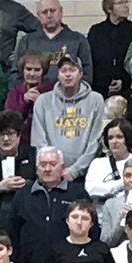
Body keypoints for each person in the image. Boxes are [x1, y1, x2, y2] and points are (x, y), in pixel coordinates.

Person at [29, 54, 106, 182]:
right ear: (58, 75)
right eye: (63, 70)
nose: (68, 74)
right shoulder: (43, 101)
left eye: (72, 70)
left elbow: (95, 141)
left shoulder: (96, 100)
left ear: (80, 74)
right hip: (51, 175)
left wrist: (75, 171)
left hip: (84, 176)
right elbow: (38, 141)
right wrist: (53, 169)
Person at [14, 0, 92, 87]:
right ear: (38, 15)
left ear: (61, 11)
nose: (49, 15)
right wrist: (25, 93)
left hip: (69, 97)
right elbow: (16, 74)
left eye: (53, 11)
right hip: (33, 97)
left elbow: (87, 74)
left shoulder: (78, 40)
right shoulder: (27, 41)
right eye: (44, 12)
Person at [0, 110, 34, 231]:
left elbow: (43, 186)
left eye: (10, 133)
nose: (6, 139)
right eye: (1, 134)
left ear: (19, 135)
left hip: (26, 223)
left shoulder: (32, 155)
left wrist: (26, 185)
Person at [88, 0, 132, 99]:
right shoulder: (96, 32)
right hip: (100, 92)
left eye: (127, 2)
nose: (126, 6)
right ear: (109, 8)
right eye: (121, 3)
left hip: (129, 91)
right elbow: (92, 63)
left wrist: (124, 81)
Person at [85, 117, 132, 204]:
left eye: (119, 137)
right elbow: (91, 190)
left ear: (128, 138)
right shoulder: (97, 163)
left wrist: (105, 189)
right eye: (110, 138)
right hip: (101, 213)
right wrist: (122, 184)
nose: (114, 141)